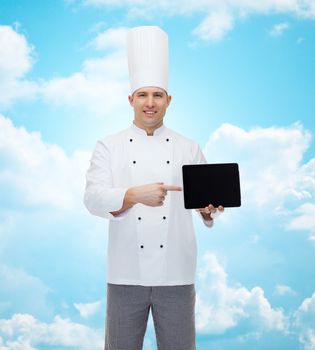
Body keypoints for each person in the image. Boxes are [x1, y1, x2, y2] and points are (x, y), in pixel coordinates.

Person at [84, 26, 224, 350]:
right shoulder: (108, 145)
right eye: (143, 95)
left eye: (157, 95)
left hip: (176, 272)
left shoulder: (189, 147)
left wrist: (208, 209)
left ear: (168, 100)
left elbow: (205, 202)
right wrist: (134, 196)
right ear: (131, 99)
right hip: (124, 273)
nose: (150, 103)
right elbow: (92, 198)